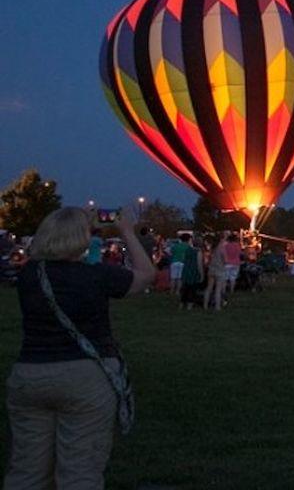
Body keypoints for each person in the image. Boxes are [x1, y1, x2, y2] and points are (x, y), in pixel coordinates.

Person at [5, 204, 154, 489]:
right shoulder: (96, 275)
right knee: (79, 471)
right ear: (82, 237)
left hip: (29, 375)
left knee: (27, 471)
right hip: (84, 378)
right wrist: (126, 232)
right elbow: (145, 275)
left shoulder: (29, 276)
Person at [203, 234, 228, 310]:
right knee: (218, 289)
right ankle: (217, 306)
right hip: (220, 270)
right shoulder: (221, 248)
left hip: (211, 269)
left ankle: (205, 305)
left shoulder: (212, 248)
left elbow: (208, 260)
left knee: (209, 288)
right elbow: (225, 260)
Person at [180, 236, 206, 309]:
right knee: (192, 290)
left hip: (186, 270)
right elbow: (199, 264)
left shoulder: (187, 250)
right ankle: (189, 305)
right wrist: (202, 274)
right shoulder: (198, 252)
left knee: (185, 289)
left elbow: (183, 259)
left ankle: (181, 304)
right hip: (194, 272)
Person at [168, 232, 191, 298]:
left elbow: (170, 252)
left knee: (173, 278)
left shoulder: (175, 246)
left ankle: (171, 291)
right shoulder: (188, 247)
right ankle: (177, 291)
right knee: (180, 278)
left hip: (174, 262)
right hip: (182, 263)